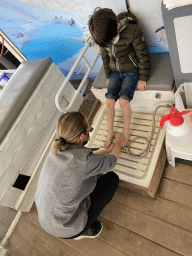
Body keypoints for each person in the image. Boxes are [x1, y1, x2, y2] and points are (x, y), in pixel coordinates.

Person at [34, 111, 124, 240]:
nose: (90, 131)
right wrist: (119, 142)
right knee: (112, 179)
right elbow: (112, 160)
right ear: (81, 137)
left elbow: (79, 160)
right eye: (89, 130)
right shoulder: (84, 163)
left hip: (45, 218)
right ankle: (83, 231)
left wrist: (105, 151)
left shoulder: (56, 148)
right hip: (65, 227)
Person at [88, 8, 150, 148]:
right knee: (109, 101)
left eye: (111, 40)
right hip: (115, 72)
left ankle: (126, 132)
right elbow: (105, 57)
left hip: (131, 71)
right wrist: (109, 75)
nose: (111, 43)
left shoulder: (133, 31)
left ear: (117, 25)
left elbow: (143, 55)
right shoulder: (103, 37)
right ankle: (111, 132)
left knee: (123, 101)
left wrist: (143, 78)